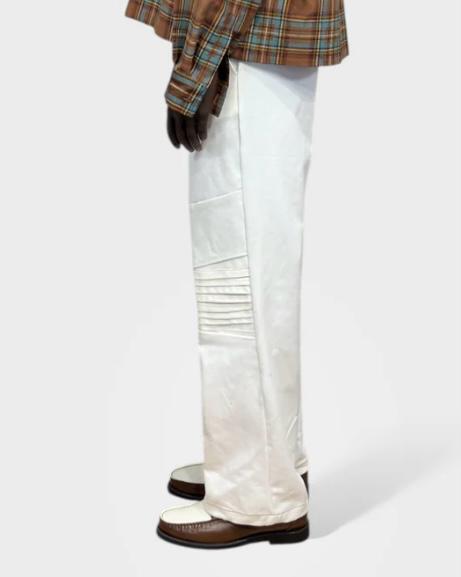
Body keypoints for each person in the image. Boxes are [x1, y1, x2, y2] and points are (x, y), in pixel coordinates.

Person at [125, 0, 348, 549]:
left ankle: (256, 497)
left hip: (244, 49)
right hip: (257, 47)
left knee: (239, 276)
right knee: (261, 270)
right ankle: (269, 465)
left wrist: (196, 69)